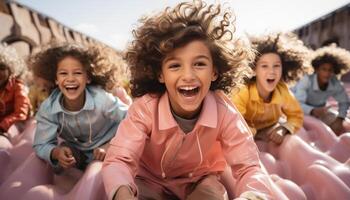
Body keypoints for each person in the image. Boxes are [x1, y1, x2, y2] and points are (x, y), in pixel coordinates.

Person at [102, 1, 274, 200]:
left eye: (199, 64)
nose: (188, 75)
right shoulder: (145, 108)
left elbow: (249, 167)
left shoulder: (224, 112)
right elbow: (119, 159)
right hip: (148, 179)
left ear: (215, 71)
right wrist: (122, 192)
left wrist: (252, 196)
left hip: (199, 180)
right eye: (175, 66)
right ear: (160, 74)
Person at [31, 42, 128, 172]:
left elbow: (132, 119)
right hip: (78, 150)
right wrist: (55, 152)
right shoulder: (48, 109)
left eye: (77, 73)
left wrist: (110, 145)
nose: (70, 78)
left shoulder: (101, 98)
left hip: (110, 142)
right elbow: (41, 143)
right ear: (55, 79)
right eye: (63, 73)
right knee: (64, 156)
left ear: (88, 77)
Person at [231, 32, 310, 145]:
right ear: (253, 70)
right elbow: (234, 123)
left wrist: (284, 128)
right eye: (264, 66)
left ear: (284, 68)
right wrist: (256, 133)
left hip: (271, 129)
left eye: (276, 66)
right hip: (247, 133)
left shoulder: (282, 91)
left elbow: (296, 116)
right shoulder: (243, 91)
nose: (272, 71)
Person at [292, 44, 350, 135]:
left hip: (321, 112)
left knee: (344, 125)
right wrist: (312, 111)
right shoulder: (307, 80)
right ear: (317, 69)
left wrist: (340, 119)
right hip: (298, 110)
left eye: (330, 70)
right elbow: (297, 104)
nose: (327, 73)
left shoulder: (335, 83)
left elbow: (344, 102)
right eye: (324, 69)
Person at [0, 44, 31, 139]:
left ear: (10, 70)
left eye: (1, 68)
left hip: (14, 131)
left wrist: (2, 126)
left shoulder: (18, 87)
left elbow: (21, 114)